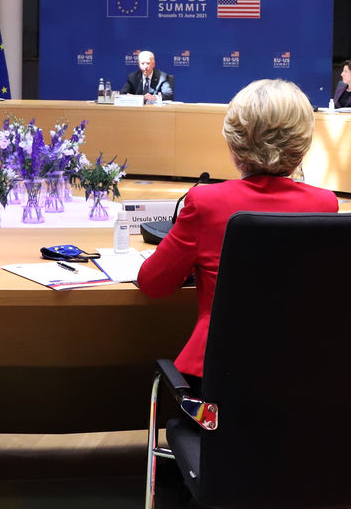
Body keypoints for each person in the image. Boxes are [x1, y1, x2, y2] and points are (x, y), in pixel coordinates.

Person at [136, 79, 338, 381]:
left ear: (235, 141)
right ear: (302, 142)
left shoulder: (205, 202)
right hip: (299, 375)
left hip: (217, 377)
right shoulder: (325, 205)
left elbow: (153, 284)